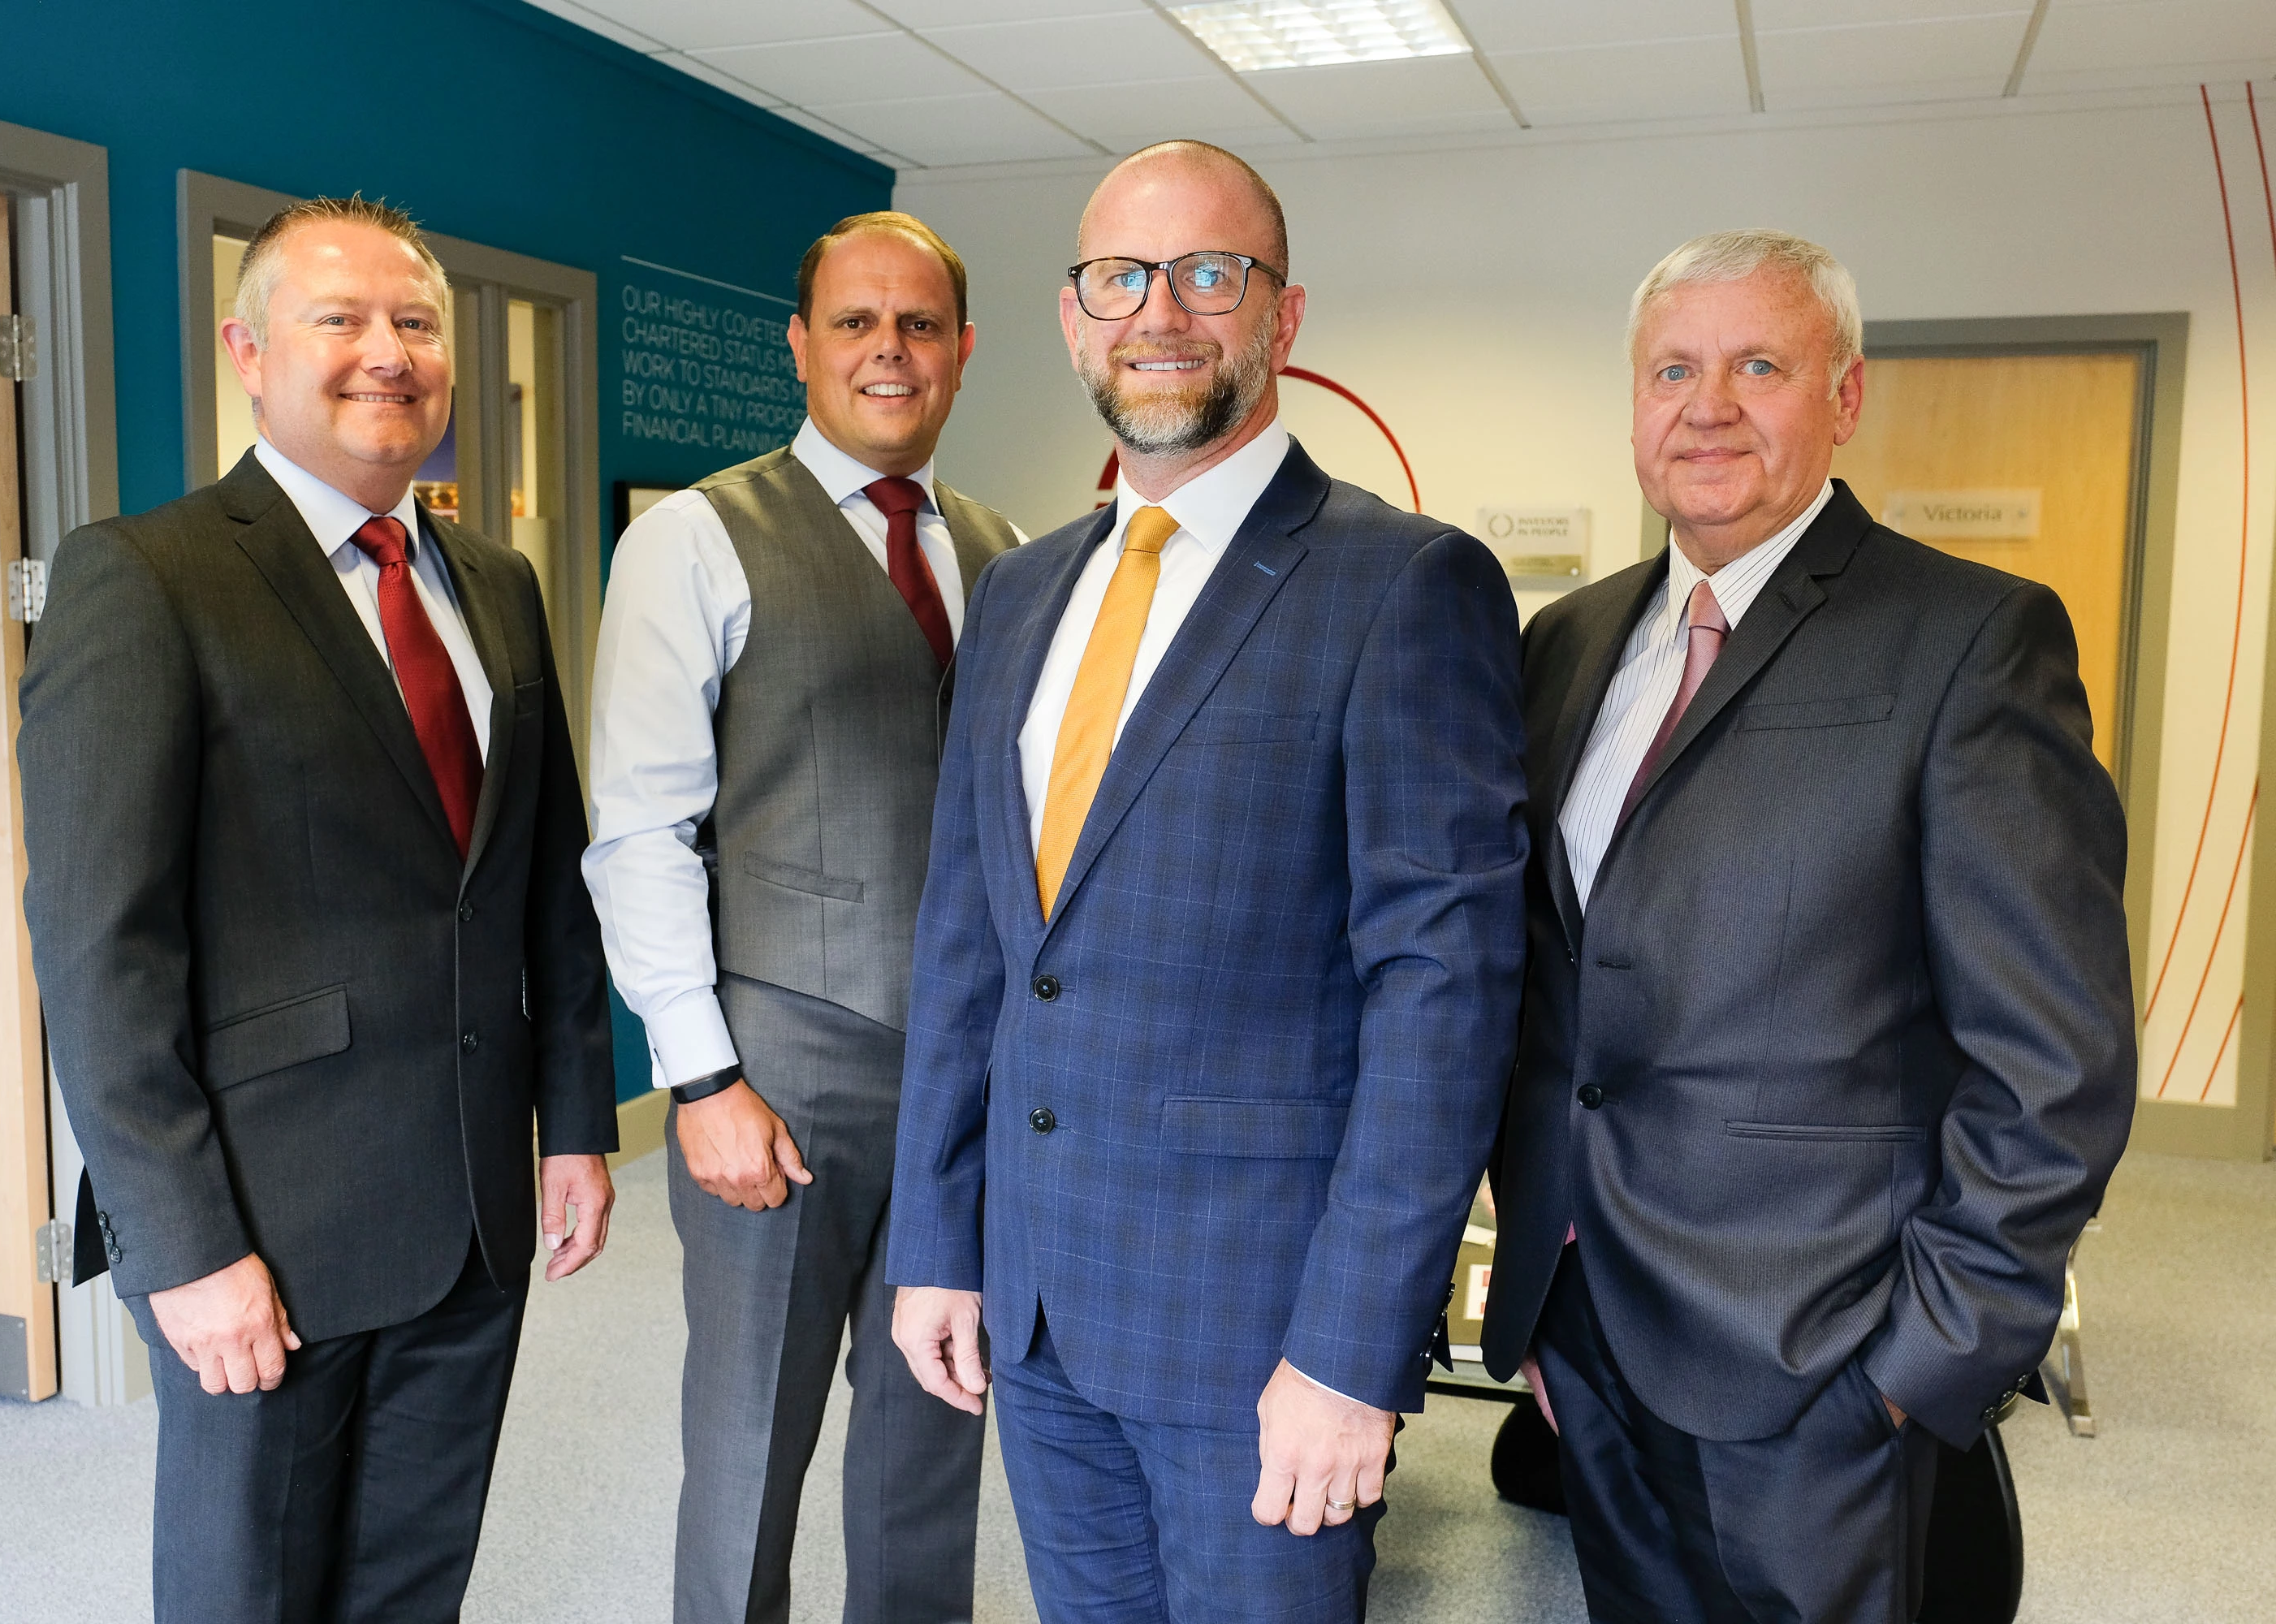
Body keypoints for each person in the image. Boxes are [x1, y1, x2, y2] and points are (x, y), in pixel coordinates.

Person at [885, 142, 1527, 1622]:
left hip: (1259, 1336)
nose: (1159, 311)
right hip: (1038, 1312)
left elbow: (1443, 1001)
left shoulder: (1404, 584)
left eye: (1209, 273)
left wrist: (1357, 1351)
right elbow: (973, 943)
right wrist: (939, 1240)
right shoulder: (1021, 590)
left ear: (1281, 317)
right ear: (1071, 315)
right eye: (1120, 275)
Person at [1479, 228, 2135, 1624]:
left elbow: (2055, 1063)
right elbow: (1549, 988)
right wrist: (1534, 1283)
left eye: (1758, 364)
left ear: (1843, 397)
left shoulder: (1969, 640)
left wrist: (1928, 1363)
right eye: (1673, 369)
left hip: (1821, 1363)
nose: (1706, 405)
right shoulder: (1568, 643)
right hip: (1587, 1331)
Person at [19, 197, 616, 1622]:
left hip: (473, 1203)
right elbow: (103, 951)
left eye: (415, 322)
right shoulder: (147, 577)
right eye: (337, 320)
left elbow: (545, 882)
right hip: (265, 1226)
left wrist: (580, 1122)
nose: (386, 353)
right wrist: (187, 1247)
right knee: (252, 1587)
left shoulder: (499, 584)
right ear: (249, 350)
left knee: (415, 1578)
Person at [582, 210, 1020, 1624]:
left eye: (919, 325)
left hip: (964, 1076)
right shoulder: (694, 540)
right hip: (778, 1064)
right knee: (749, 1448)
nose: (888, 351)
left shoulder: (1003, 551)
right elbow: (639, 830)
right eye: (855, 322)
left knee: (932, 1424)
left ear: (960, 350)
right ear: (802, 343)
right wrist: (697, 1076)